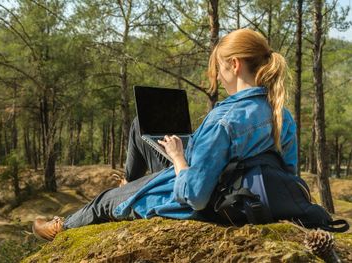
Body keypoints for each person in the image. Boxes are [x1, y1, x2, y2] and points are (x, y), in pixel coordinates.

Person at [32, 28, 297, 241]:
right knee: (141, 125)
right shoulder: (280, 114)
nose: (217, 75)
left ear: (235, 65)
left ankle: (63, 226)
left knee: (104, 202)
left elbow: (195, 196)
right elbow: (288, 175)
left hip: (211, 197)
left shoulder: (223, 120)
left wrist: (179, 159)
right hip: (241, 191)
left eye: (218, 67)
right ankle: (132, 182)